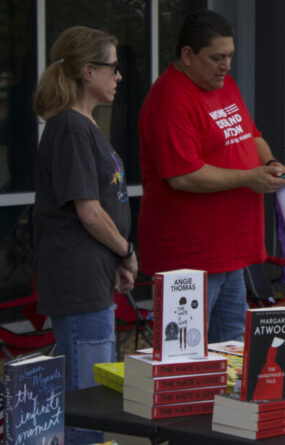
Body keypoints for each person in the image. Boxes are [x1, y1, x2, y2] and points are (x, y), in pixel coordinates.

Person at [138, 10, 285, 343]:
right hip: (189, 256)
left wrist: (271, 163)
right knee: (186, 352)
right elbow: (183, 176)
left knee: (232, 346)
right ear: (188, 55)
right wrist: (249, 177)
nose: (226, 65)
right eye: (217, 57)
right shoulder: (170, 99)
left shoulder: (224, 85)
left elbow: (251, 134)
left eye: (230, 56)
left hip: (230, 249)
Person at [33, 26, 136, 444]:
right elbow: (89, 211)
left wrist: (113, 262)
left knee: (91, 396)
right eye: (113, 67)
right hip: (77, 281)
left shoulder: (84, 124)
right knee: (86, 403)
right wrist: (126, 251)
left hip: (91, 275)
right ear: (88, 71)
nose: (119, 76)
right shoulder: (71, 128)